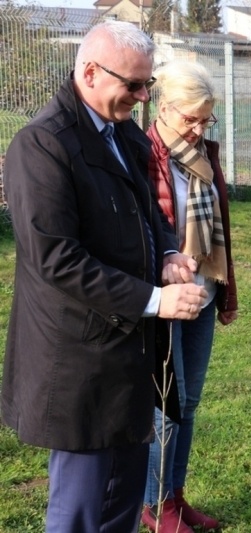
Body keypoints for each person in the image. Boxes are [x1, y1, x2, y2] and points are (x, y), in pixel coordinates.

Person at [0, 21, 208, 533]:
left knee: (121, 506)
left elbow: (147, 212)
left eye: (147, 87)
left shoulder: (121, 133)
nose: (141, 99)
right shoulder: (42, 146)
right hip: (79, 364)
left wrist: (165, 251)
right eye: (133, 86)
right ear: (89, 72)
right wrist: (156, 301)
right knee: (77, 513)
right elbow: (57, 261)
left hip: (127, 357)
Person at [140, 61, 238, 533]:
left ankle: (176, 497)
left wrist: (227, 293)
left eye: (206, 119)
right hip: (162, 298)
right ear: (164, 107)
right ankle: (155, 506)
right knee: (165, 407)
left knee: (190, 402)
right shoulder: (141, 154)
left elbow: (223, 232)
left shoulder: (206, 156)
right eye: (190, 119)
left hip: (201, 292)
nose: (199, 129)